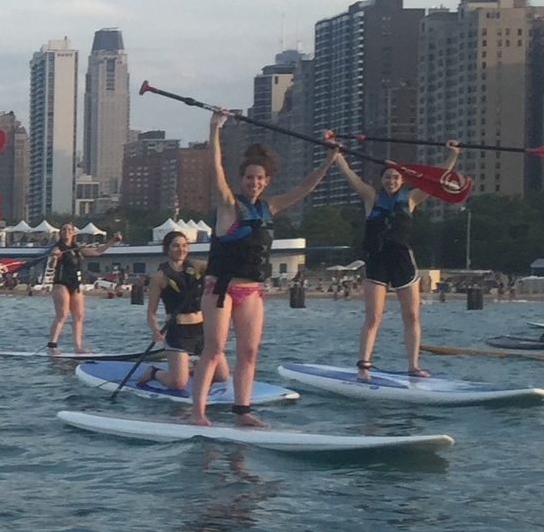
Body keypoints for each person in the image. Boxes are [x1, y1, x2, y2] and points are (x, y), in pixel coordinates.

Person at [186, 111, 336, 427]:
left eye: (259, 178)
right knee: (213, 351)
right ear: (242, 180)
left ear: (266, 182)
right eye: (249, 177)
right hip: (220, 290)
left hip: (251, 291)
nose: (254, 182)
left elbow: (304, 189)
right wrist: (214, 128)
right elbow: (216, 169)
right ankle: (197, 412)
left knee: (249, 353)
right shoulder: (230, 204)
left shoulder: (269, 207)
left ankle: (242, 412)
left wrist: (328, 161)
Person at [333, 134, 454, 379]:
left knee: (411, 316)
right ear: (381, 179)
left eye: (396, 177)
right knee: (373, 317)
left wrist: (452, 155)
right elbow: (350, 176)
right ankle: (363, 366)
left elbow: (436, 179)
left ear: (402, 179)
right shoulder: (371, 196)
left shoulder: (411, 199)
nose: (391, 181)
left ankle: (413, 365)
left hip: (402, 262)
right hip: (377, 260)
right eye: (387, 177)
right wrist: (336, 154)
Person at [133, 230, 204, 393]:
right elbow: (151, 311)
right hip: (177, 331)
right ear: (167, 249)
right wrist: (155, 330)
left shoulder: (197, 266)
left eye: (185, 245)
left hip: (202, 328)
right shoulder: (159, 277)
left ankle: (192, 369)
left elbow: (219, 266)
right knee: (177, 383)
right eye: (176, 246)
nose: (181, 249)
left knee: (221, 375)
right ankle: (154, 372)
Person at [44, 222, 121, 354]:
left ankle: (78, 347)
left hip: (76, 284)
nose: (66, 231)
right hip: (61, 284)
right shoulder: (57, 248)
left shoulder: (77, 249)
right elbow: (52, 265)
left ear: (73, 233)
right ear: (60, 233)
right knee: (62, 315)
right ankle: (52, 346)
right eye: (63, 229)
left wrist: (112, 242)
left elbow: (97, 251)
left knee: (78, 316)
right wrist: (54, 257)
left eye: (69, 229)